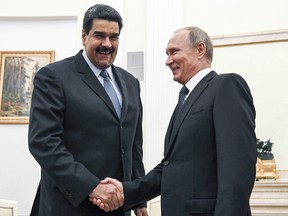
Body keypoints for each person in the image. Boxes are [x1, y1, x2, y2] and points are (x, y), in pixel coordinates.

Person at [93, 26, 257, 216]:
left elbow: (237, 169)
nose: (168, 61)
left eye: (174, 52)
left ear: (200, 50)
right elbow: (170, 168)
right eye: (166, 54)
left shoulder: (226, 86)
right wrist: (125, 190)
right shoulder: (184, 99)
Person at [28, 4, 148, 216]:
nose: (107, 44)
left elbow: (133, 147)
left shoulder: (131, 82)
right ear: (84, 36)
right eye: (99, 36)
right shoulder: (53, 77)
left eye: (114, 37)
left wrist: (139, 199)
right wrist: (92, 186)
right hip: (68, 207)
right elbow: (43, 143)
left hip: (118, 208)